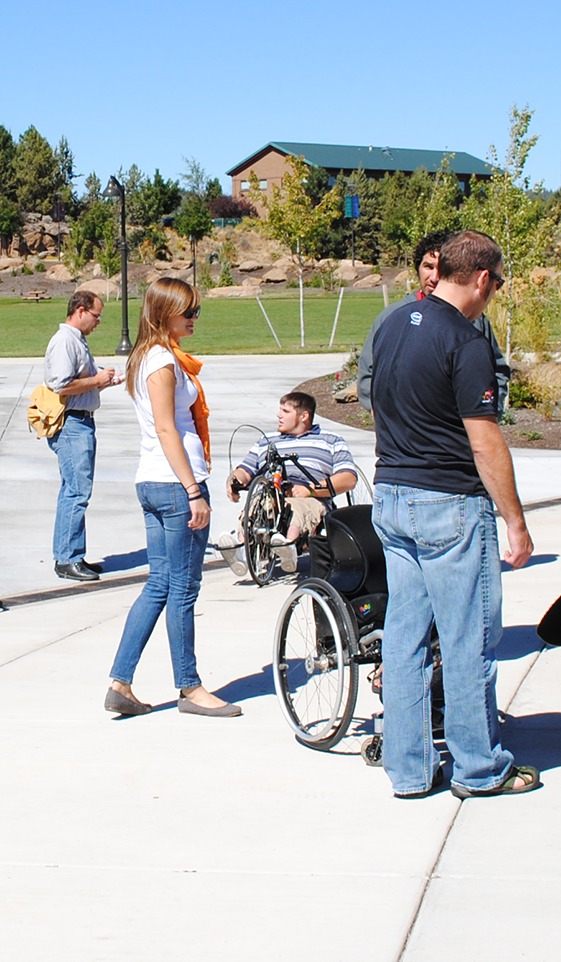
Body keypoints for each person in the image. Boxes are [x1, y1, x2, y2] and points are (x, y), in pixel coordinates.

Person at [370, 229, 539, 799]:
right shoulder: (465, 340)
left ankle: (410, 769)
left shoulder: (394, 323)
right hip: (449, 505)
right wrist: (514, 520)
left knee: (405, 637)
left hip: (392, 494)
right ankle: (480, 768)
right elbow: (485, 439)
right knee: (467, 639)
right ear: (484, 279)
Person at [105, 278, 241, 719]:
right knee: (183, 589)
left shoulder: (150, 356)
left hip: (155, 482)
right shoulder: (161, 361)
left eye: (197, 310)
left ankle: (120, 682)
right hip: (173, 486)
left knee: (161, 584)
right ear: (164, 313)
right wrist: (193, 490)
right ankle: (190, 687)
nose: (195, 318)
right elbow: (167, 429)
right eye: (189, 311)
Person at [357, 229, 510, 414]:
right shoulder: (393, 316)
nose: (435, 277)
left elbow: (497, 371)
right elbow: (369, 374)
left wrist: (492, 410)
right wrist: (386, 415)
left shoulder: (475, 321)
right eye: (428, 267)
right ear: (417, 269)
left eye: (441, 269)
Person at [216, 392, 358, 575]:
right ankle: (241, 547)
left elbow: (348, 478)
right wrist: (235, 481)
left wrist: (310, 490)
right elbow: (245, 469)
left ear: (303, 416)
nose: (278, 415)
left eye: (285, 411)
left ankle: (289, 545)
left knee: (296, 509)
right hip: (272, 494)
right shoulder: (267, 441)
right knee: (256, 505)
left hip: (310, 497)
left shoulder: (331, 440)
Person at [43, 290, 121, 582]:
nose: (98, 322)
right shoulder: (65, 341)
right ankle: (67, 559)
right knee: (76, 492)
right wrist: (97, 379)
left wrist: (104, 382)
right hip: (72, 425)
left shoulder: (76, 340)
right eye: (96, 316)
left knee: (73, 490)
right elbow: (62, 385)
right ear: (80, 311)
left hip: (80, 422)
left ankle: (72, 554)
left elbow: (77, 383)